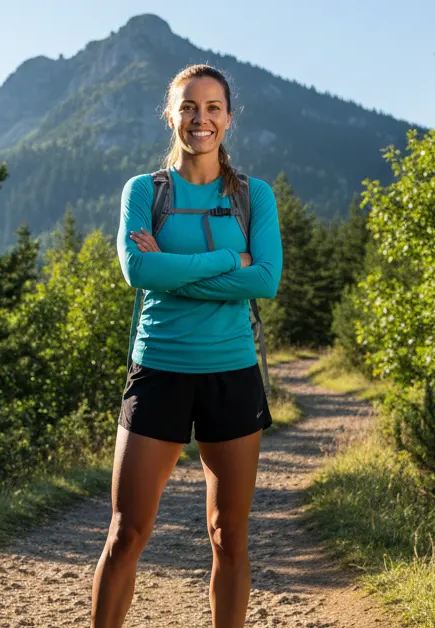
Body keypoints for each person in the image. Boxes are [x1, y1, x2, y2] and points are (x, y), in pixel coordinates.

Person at [90, 64, 283, 628]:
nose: (201, 119)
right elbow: (137, 270)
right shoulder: (143, 192)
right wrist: (229, 260)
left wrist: (171, 271)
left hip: (232, 375)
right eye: (189, 108)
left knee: (229, 536)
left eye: (213, 107)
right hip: (159, 371)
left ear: (228, 116)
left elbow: (266, 280)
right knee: (127, 533)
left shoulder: (255, 196)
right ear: (171, 115)